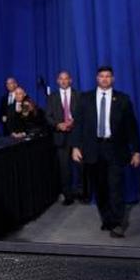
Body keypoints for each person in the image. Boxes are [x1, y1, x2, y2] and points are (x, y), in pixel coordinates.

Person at [71, 67, 140, 238]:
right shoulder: (85, 98)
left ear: (113, 79)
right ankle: (107, 219)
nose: (104, 79)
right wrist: (75, 147)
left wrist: (137, 151)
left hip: (115, 149)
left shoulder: (123, 99)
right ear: (96, 78)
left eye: (108, 76)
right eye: (101, 76)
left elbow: (132, 128)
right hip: (93, 150)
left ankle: (117, 223)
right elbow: (78, 125)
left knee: (115, 187)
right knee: (100, 188)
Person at [45, 71, 85, 205]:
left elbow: (83, 114)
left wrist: (74, 122)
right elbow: (48, 116)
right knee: (64, 168)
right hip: (60, 137)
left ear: (70, 80)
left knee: (81, 166)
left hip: (77, 136)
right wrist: (58, 125)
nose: (63, 81)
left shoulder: (78, 95)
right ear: (57, 81)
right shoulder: (52, 97)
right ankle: (68, 195)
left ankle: (81, 192)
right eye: (60, 79)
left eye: (66, 78)